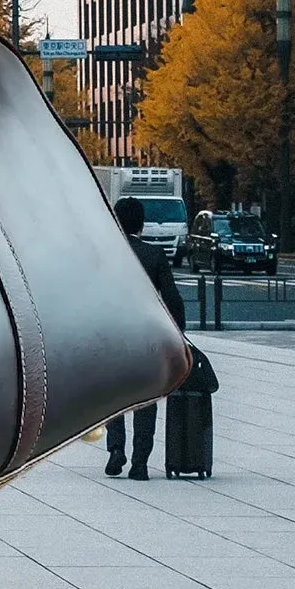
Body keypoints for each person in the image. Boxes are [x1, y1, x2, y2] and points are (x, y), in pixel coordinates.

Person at [108, 194, 187, 479]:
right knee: (146, 399)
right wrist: (179, 331)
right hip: (148, 338)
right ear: (141, 224)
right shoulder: (154, 255)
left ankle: (116, 448)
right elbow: (172, 299)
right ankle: (140, 461)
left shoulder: (102, 254)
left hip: (114, 336)